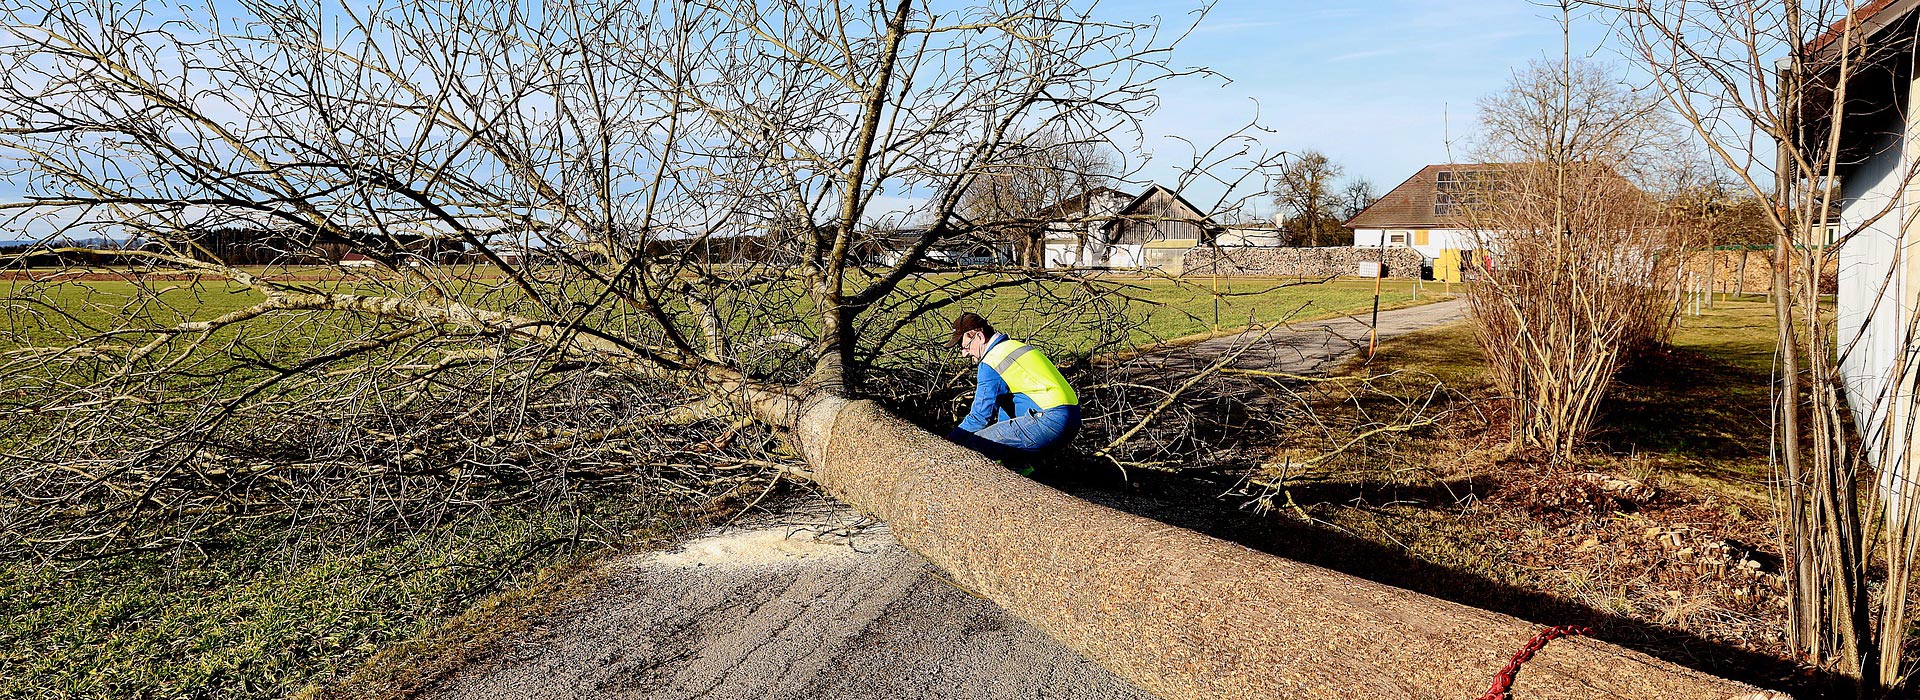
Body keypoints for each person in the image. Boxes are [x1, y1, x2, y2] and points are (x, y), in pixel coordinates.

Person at [944, 312, 1080, 468]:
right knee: (1007, 456)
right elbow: (1009, 411)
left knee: (975, 445)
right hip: (1071, 418)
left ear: (980, 337)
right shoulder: (1015, 347)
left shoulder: (991, 361)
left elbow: (980, 416)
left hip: (1049, 420)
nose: (964, 353)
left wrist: (950, 443)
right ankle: (1027, 474)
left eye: (965, 346)